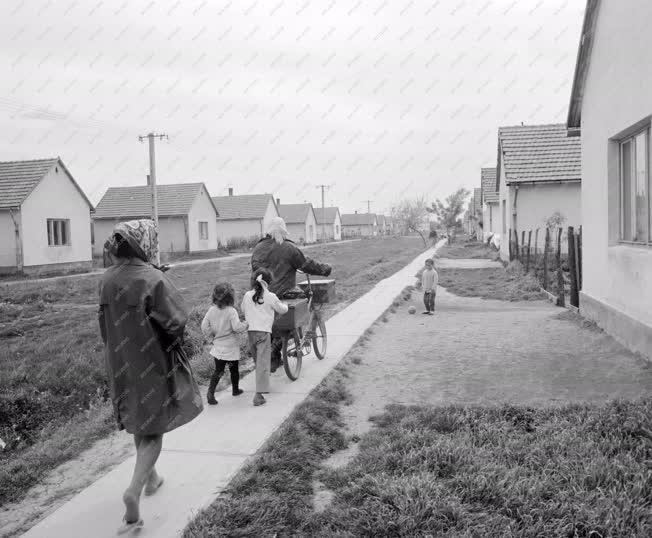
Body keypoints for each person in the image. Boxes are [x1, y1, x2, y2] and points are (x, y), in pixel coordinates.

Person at [98, 219, 203, 534]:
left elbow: (104, 323)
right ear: (145, 243)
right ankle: (133, 491)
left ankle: (152, 478)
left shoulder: (106, 279)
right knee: (154, 429)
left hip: (119, 360)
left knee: (137, 417)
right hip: (151, 359)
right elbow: (176, 321)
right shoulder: (153, 278)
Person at [250, 217, 331, 370]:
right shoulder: (288, 248)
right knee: (298, 306)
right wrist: (325, 269)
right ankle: (286, 338)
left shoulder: (258, 248)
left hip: (260, 294)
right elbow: (306, 264)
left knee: (270, 321)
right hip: (283, 292)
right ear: (283, 231)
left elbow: (255, 270)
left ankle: (273, 354)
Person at [241, 268, 289, 407]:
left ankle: (261, 383)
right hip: (263, 333)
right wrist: (285, 305)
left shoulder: (247, 295)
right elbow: (282, 309)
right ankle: (258, 395)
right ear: (268, 282)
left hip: (250, 333)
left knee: (258, 360)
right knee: (263, 363)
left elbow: (243, 309)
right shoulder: (271, 296)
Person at [201, 283, 248, 405]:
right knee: (234, 370)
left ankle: (210, 393)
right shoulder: (231, 311)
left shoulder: (211, 310)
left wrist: (211, 337)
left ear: (215, 296)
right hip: (231, 347)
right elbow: (237, 328)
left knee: (218, 371)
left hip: (218, 347)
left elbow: (204, 326)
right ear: (230, 297)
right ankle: (235, 390)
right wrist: (246, 324)